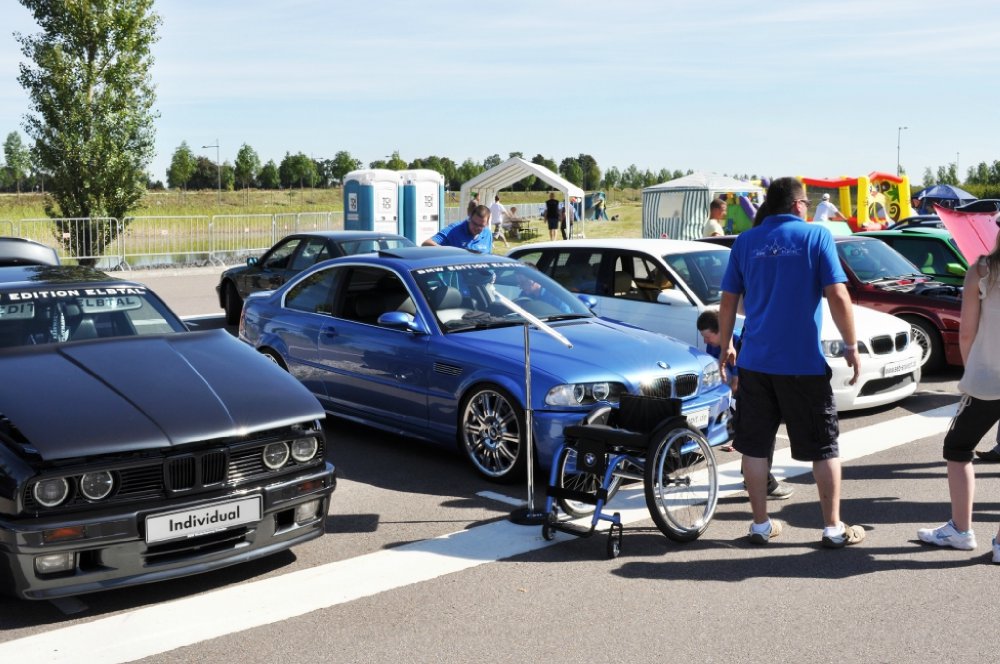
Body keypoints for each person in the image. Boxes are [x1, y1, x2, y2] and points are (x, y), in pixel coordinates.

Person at [718, 176, 865, 548]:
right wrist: (851, 345)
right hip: (802, 364)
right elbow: (838, 295)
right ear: (800, 205)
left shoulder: (746, 241)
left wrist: (726, 347)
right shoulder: (816, 237)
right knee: (824, 447)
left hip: (755, 363)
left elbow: (728, 299)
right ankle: (832, 528)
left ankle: (760, 524)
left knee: (753, 446)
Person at [917, 223, 1000, 562]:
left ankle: (961, 529)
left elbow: (965, 333)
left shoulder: (982, 269)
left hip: (986, 379)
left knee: (958, 448)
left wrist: (970, 371)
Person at [696, 308, 794, 500]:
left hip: (754, 390)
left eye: (708, 337)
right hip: (743, 394)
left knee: (761, 437)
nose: (706, 342)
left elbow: (736, 382)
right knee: (755, 437)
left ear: (721, 331)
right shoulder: (716, 344)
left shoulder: (740, 342)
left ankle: (760, 482)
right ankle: (755, 479)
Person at [422, 205, 493, 254]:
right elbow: (426, 243)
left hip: (483, 274)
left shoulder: (488, 233)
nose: (477, 228)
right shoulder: (454, 229)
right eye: (474, 223)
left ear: (486, 224)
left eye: (481, 225)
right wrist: (450, 253)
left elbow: (488, 256)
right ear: (470, 218)